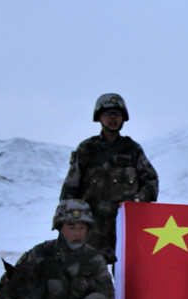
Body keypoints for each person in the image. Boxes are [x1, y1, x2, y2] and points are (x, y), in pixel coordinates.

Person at [60, 93, 159, 263]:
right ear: (99, 117)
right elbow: (71, 188)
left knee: (128, 275)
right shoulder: (87, 149)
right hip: (92, 228)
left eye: (117, 114)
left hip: (125, 226)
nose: (113, 118)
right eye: (107, 114)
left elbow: (151, 182)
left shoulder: (132, 149)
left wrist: (134, 201)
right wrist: (68, 223)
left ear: (123, 118)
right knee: (89, 276)